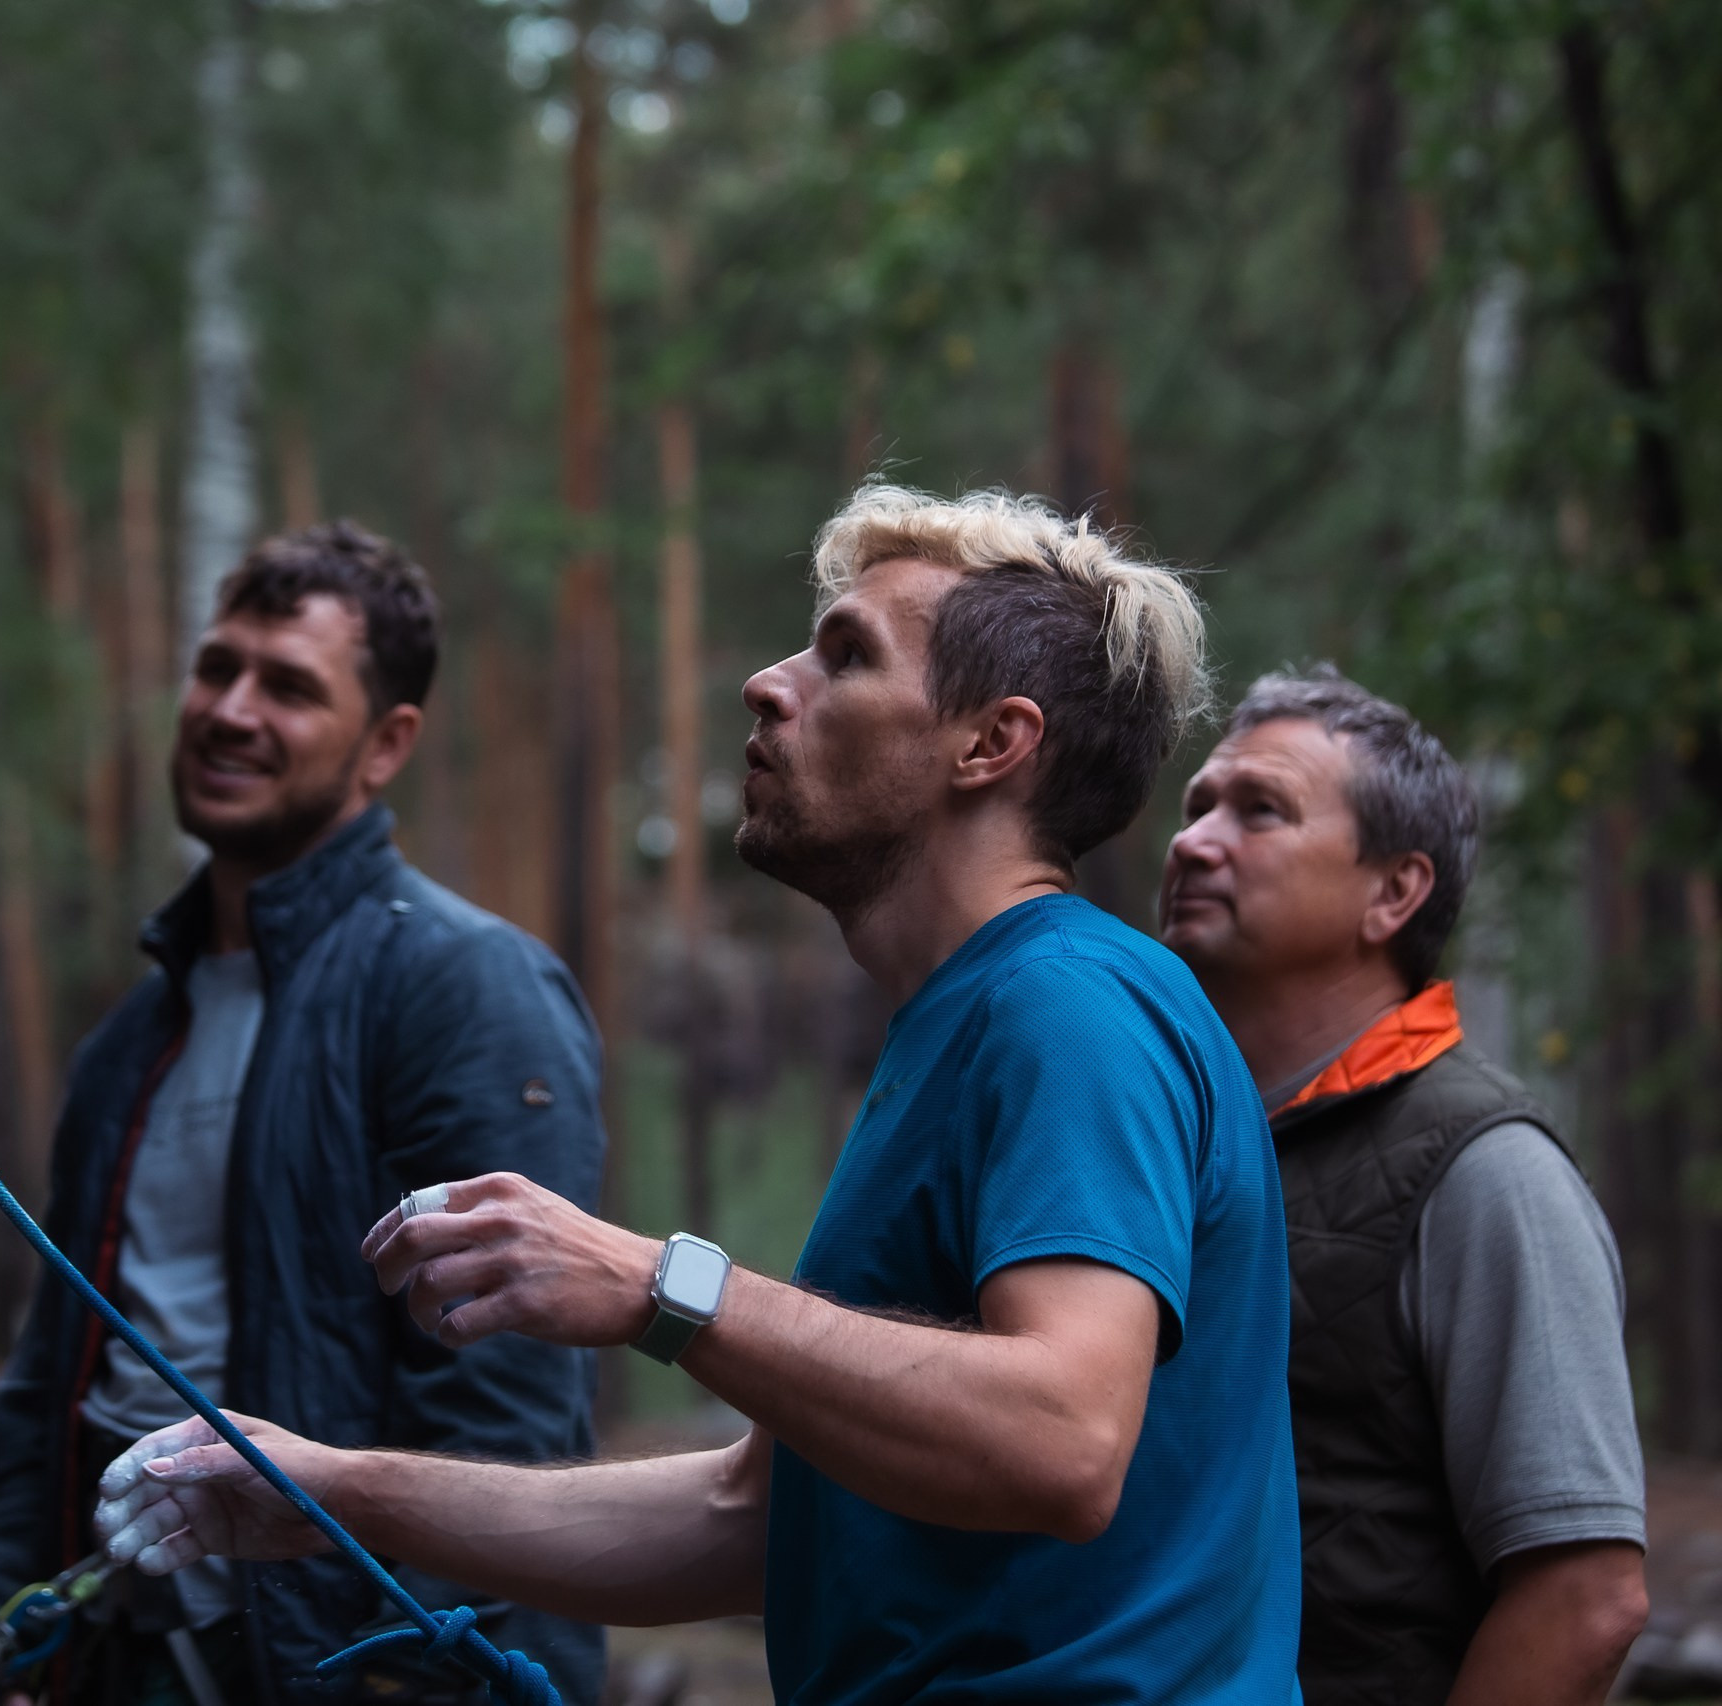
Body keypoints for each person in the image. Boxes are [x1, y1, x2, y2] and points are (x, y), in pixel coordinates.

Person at [94, 486, 1304, 1704]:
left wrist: (654, 1284)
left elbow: (1063, 1437)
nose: (769, 684)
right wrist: (335, 1494)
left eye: (845, 656)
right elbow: (742, 1516)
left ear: (989, 743)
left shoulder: (1068, 1001)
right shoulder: (961, 1026)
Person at [0, 523, 608, 1706]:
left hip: (336, 1660)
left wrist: (411, 1675)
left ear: (384, 743)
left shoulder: (461, 988)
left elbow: (504, 1409)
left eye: (289, 686)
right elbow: (52, 1379)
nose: (230, 709)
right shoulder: (129, 1042)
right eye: (216, 668)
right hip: (114, 1655)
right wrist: (4, 1612)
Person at [1156, 665, 1648, 1706]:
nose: (1193, 839)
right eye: (1198, 804)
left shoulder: (1486, 1171)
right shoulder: (1174, 1143)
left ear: (1393, 891)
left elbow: (1585, 1597)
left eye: (1260, 811)